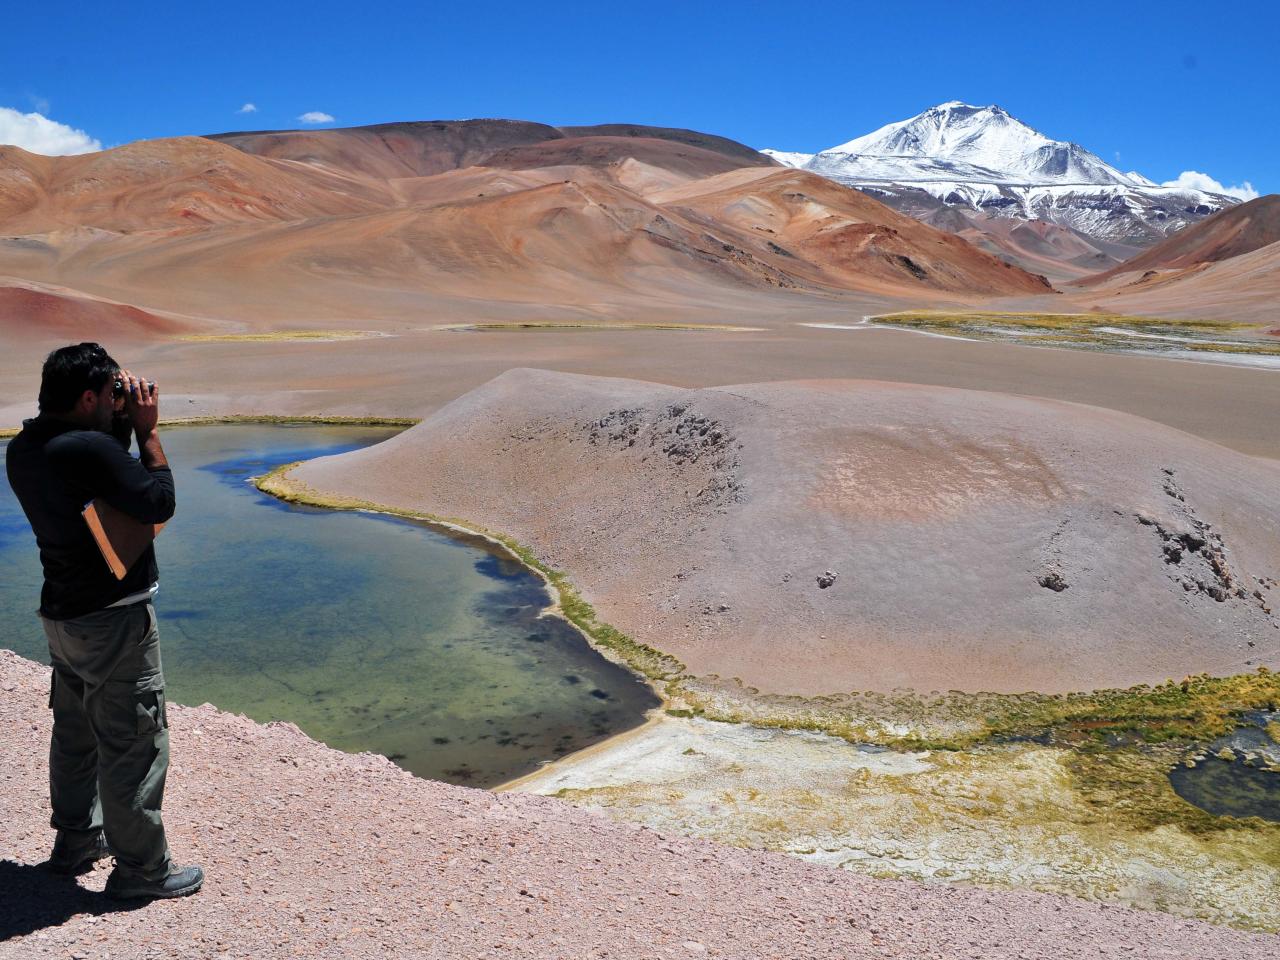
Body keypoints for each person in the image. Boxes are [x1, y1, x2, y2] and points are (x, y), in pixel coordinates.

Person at [5, 342, 203, 900]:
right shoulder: (88, 449)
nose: (122, 399)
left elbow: (101, 469)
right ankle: (142, 869)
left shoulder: (26, 448)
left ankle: (75, 842)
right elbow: (156, 501)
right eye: (112, 392)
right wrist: (148, 432)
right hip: (114, 620)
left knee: (76, 734)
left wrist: (113, 424)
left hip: (63, 618)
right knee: (133, 740)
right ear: (89, 396)